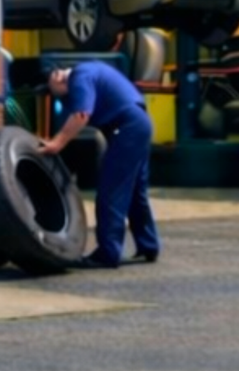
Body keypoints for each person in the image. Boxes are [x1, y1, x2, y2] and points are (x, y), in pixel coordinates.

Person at [38, 60, 159, 269]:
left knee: (111, 191)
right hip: (139, 123)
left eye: (50, 91)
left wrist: (56, 144)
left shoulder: (80, 77)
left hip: (127, 128)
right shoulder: (89, 71)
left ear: (56, 77)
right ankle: (149, 245)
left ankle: (108, 253)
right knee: (135, 192)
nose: (53, 96)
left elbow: (81, 114)